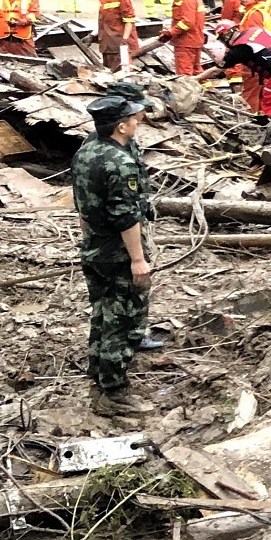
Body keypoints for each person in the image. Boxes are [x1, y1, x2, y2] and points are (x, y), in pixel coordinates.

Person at [73, 94, 157, 416]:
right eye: (133, 118)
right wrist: (137, 259)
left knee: (102, 311)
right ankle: (113, 392)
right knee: (120, 320)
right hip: (116, 251)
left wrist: (89, 239)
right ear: (121, 126)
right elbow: (126, 217)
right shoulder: (119, 162)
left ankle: (98, 369)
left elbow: (81, 204)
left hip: (94, 246)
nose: (138, 121)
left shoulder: (86, 153)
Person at [160, 0, 206, 76]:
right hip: (195, 39)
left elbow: (187, 22)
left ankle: (187, 92)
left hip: (185, 41)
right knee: (197, 71)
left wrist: (170, 33)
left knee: (184, 73)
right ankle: (209, 91)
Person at [90, 0, 134, 72]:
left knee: (122, 73)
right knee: (109, 72)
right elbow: (105, 20)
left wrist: (125, 40)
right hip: (107, 43)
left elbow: (129, 20)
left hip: (119, 43)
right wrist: (92, 35)